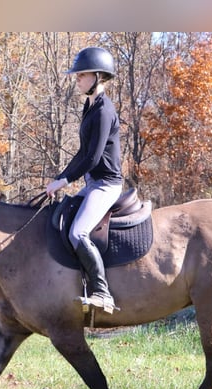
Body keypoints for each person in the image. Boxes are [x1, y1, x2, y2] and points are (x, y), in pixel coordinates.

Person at [46, 46, 123, 314]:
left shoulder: (104, 111)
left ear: (98, 77)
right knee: (60, 218)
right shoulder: (89, 107)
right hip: (92, 183)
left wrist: (64, 181)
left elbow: (92, 158)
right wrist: (58, 178)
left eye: (82, 75)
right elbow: (81, 152)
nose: (77, 79)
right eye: (77, 75)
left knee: (78, 232)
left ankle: (103, 293)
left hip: (106, 185)